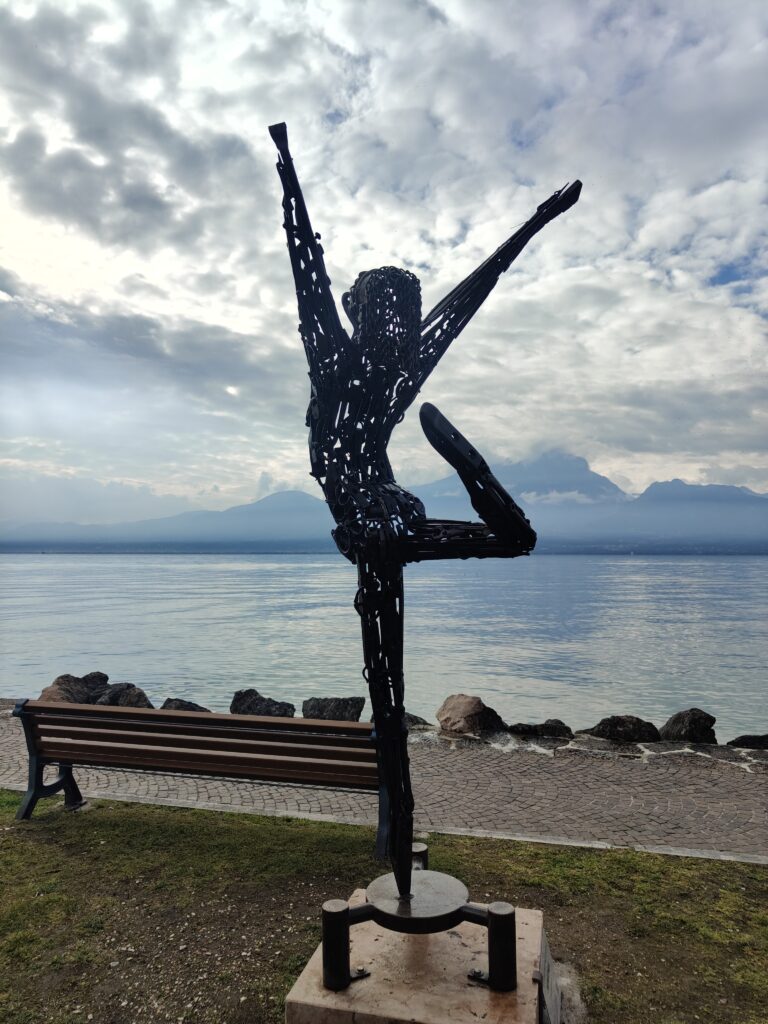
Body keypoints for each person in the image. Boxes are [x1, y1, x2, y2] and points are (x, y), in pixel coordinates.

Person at [270, 122, 581, 897]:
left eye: (409, 316)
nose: (405, 329)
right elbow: (307, 270)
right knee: (386, 685)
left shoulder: (403, 372)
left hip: (394, 512)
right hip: (364, 524)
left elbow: (473, 291)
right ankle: (398, 831)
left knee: (517, 536)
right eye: (390, 314)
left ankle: (465, 461)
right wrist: (287, 171)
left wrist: (538, 222)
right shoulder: (336, 361)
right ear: (363, 316)